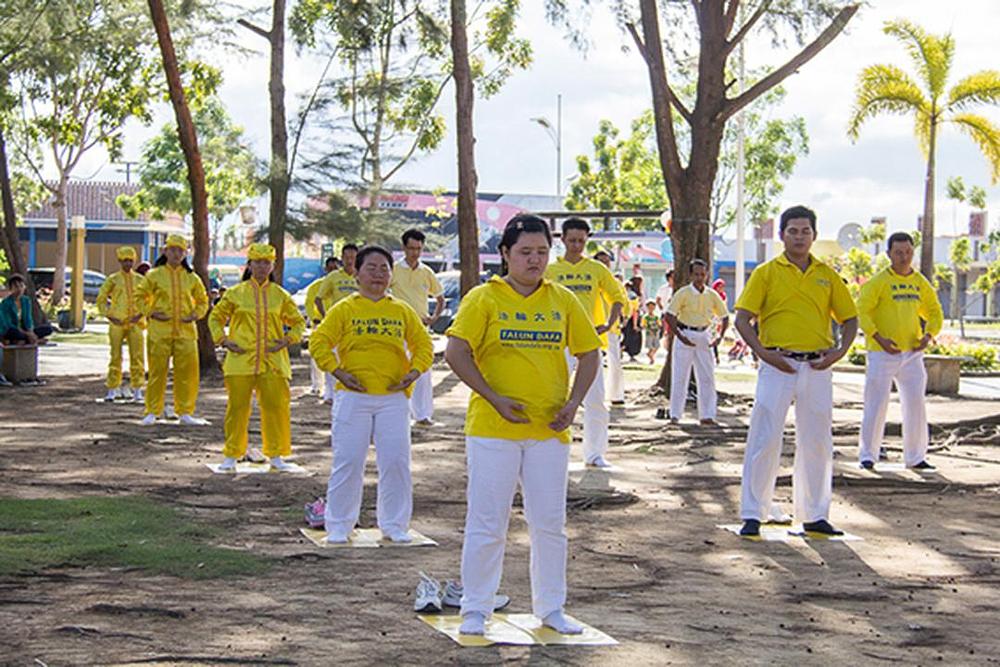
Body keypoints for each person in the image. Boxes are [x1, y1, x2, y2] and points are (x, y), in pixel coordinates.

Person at [444, 214, 601, 636]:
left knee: (549, 524)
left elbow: (590, 355)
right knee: (488, 521)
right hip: (493, 430)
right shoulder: (484, 298)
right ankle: (476, 608)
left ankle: (551, 609)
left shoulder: (563, 300)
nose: (535, 260)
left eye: (541, 252)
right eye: (525, 252)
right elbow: (456, 352)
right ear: (505, 255)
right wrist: (493, 398)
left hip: (549, 431)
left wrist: (572, 405)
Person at [735, 206, 858, 536]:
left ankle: (815, 514)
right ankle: (752, 512)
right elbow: (742, 319)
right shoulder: (766, 272)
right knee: (765, 437)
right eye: (793, 231)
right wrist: (762, 353)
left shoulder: (827, 274)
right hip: (778, 364)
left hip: (817, 366)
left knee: (817, 440)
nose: (800, 237)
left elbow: (850, 319)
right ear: (782, 235)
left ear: (814, 235)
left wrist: (839, 352)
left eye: (805, 231)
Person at [309, 245, 433, 544]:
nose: (378, 274)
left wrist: (413, 373)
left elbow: (423, 346)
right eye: (371, 268)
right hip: (354, 397)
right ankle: (338, 525)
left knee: (396, 462)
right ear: (358, 273)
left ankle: (394, 525)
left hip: (393, 399)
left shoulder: (401, 310)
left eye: (384, 269)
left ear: (391, 276)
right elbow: (319, 342)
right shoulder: (345, 308)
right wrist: (338, 372)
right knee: (349, 460)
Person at [209, 244, 306, 472]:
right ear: (249, 265)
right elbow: (215, 317)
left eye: (266, 263)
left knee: (276, 407)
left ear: (272, 265)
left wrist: (288, 339)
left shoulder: (280, 295)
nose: (262, 267)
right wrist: (222, 340)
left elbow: (299, 322)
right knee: (237, 408)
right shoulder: (235, 293)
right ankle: (232, 454)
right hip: (241, 360)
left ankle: (277, 455)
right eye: (257, 262)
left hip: (273, 361)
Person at [857, 232, 943, 471]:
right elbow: (862, 311)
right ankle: (868, 455)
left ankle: (915, 457)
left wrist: (928, 335)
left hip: (912, 354)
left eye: (907, 252)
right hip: (882, 353)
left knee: (915, 403)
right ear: (889, 254)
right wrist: (877, 337)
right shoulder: (878, 282)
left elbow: (934, 311)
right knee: (876, 403)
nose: (903, 257)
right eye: (898, 253)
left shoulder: (919, 282)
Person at [544, 218, 627, 468]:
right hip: (557, 342)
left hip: (589, 343)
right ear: (562, 240)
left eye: (581, 241)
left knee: (595, 398)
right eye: (572, 240)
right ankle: (551, 449)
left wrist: (608, 324)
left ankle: (594, 453)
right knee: (553, 397)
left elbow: (617, 297)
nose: (577, 245)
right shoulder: (550, 271)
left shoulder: (596, 269)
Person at [136, 235, 210, 426]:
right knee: (156, 372)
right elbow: (139, 297)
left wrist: (195, 315)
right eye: (173, 250)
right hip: (160, 332)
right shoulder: (154, 275)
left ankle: (185, 411)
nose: (176, 254)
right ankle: (152, 411)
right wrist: (151, 312)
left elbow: (203, 301)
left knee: (187, 373)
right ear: (165, 251)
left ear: (185, 254)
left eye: (180, 251)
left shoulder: (192, 278)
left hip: (185, 332)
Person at [389, 228, 445, 426]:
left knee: (423, 370)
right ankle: (400, 413)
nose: (415, 253)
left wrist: (434, 317)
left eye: (419, 249)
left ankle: (422, 415)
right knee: (399, 368)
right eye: (412, 248)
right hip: (397, 327)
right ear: (404, 247)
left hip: (421, 328)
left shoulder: (426, 271)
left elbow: (440, 297)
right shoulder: (394, 269)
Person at [665, 259, 729, 424]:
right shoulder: (683, 293)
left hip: (704, 335)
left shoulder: (711, 294)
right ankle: (675, 415)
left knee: (707, 376)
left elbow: (724, 316)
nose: (700, 278)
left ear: (707, 275)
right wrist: (679, 336)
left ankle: (707, 415)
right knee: (680, 376)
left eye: (702, 274)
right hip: (685, 333)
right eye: (696, 274)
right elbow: (669, 315)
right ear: (690, 275)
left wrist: (719, 337)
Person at [96, 246, 146, 402]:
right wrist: (109, 315)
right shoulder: (113, 279)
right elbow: (101, 298)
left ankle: (137, 389)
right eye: (125, 260)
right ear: (120, 261)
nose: (128, 264)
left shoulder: (140, 280)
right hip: (117, 321)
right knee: (115, 356)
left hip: (135, 322)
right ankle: (112, 388)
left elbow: (149, 299)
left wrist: (140, 314)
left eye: (130, 260)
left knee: (137, 356)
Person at [314, 244, 359, 403]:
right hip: (337, 323)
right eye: (347, 257)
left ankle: (349, 390)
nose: (350, 260)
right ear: (342, 257)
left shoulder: (362, 276)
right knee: (332, 356)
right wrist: (326, 317)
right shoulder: (333, 277)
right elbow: (318, 298)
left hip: (357, 325)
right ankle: (330, 393)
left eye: (353, 257)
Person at [594, 251, 625, 406]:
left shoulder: (615, 283)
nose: (605, 265)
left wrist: (618, 320)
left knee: (615, 361)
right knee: (591, 362)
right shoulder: (591, 280)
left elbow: (623, 303)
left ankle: (616, 395)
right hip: (593, 327)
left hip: (611, 328)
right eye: (601, 262)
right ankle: (591, 395)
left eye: (607, 262)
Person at [305, 256, 338, 396]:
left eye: (335, 269)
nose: (332, 271)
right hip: (320, 324)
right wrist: (315, 318)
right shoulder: (316, 286)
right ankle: (317, 386)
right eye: (329, 269)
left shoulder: (341, 284)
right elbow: (309, 303)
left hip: (338, 325)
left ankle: (334, 389)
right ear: (325, 269)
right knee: (316, 354)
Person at [0, 274, 53, 345]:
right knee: (14, 333)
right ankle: (35, 340)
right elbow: (8, 324)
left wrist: (31, 332)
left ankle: (24, 341)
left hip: (25, 331)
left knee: (48, 329)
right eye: (16, 287)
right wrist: (27, 334)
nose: (19, 289)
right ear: (10, 289)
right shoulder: (5, 303)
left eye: (21, 286)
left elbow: (28, 319)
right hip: (12, 330)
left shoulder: (26, 301)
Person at [641, 300, 663, 365]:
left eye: (652, 307)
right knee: (650, 346)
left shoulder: (656, 317)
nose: (651, 309)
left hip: (656, 333)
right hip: (649, 333)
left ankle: (650, 354)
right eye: (649, 307)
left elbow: (659, 324)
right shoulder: (645, 317)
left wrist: (658, 328)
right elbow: (643, 325)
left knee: (657, 346)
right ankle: (651, 358)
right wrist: (648, 329)